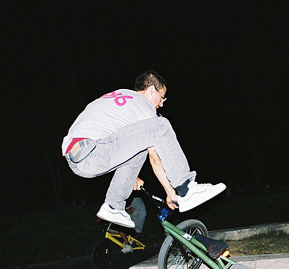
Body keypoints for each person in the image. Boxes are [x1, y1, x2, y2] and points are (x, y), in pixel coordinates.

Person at [61, 71, 226, 228]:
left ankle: (114, 206)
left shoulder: (121, 97)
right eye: (162, 97)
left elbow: (119, 141)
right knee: (160, 125)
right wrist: (172, 192)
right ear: (151, 90)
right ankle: (186, 188)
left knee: (139, 150)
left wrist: (130, 176)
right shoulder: (143, 106)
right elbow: (155, 159)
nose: (161, 104)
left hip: (78, 156)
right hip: (92, 149)